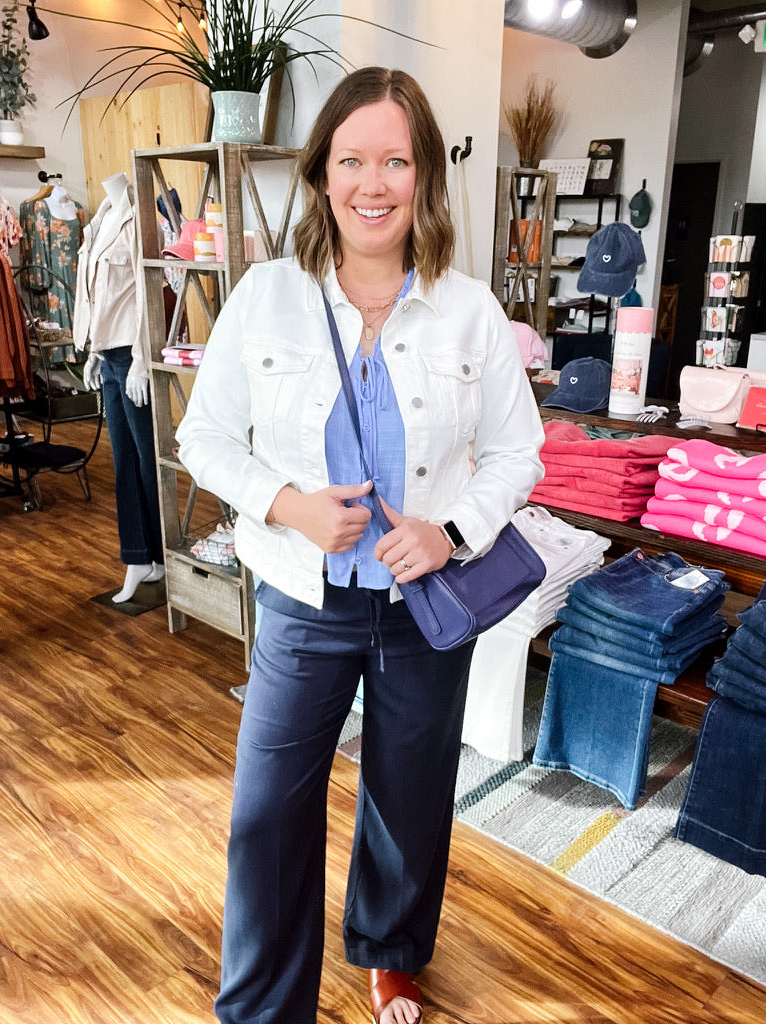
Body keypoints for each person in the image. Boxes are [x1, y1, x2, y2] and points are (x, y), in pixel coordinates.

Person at [176, 67, 544, 1024]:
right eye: (351, 160)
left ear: (421, 176)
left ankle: (391, 954)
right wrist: (288, 504)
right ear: (321, 173)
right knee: (266, 815)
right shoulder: (266, 298)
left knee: (410, 799)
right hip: (304, 600)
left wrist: (450, 528)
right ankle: (262, 1006)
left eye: (394, 160)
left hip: (425, 605)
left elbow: (518, 453)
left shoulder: (470, 311)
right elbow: (202, 439)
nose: (371, 184)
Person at [74, 172, 165, 603]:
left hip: (132, 356)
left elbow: (150, 293)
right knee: (124, 460)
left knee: (149, 460)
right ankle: (142, 556)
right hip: (108, 355)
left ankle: (158, 555)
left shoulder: (141, 220)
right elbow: (96, 295)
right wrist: (93, 351)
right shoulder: (101, 219)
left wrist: (144, 361)